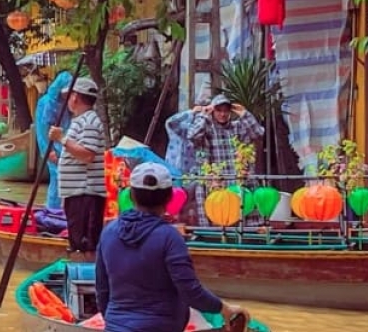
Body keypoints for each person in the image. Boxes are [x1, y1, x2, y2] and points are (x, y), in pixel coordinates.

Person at [96, 163, 250, 332]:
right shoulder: (169, 237)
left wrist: (115, 323)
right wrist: (225, 309)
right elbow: (191, 292)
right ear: (169, 197)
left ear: (131, 195)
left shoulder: (108, 233)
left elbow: (102, 291)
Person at [186, 94, 266, 227]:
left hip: (238, 179)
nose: (222, 114)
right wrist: (204, 115)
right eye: (219, 110)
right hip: (214, 182)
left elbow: (258, 133)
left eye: (226, 110)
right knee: (216, 217)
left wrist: (244, 114)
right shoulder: (206, 128)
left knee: (244, 216)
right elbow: (192, 135)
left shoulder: (237, 127)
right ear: (213, 111)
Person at [48, 77, 107, 255]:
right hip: (77, 194)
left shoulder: (89, 121)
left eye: (69, 96)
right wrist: (60, 160)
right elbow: (78, 156)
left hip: (85, 195)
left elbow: (88, 155)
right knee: (77, 241)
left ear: (75, 97)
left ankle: (86, 275)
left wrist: (62, 139)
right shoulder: (81, 120)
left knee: (84, 245)